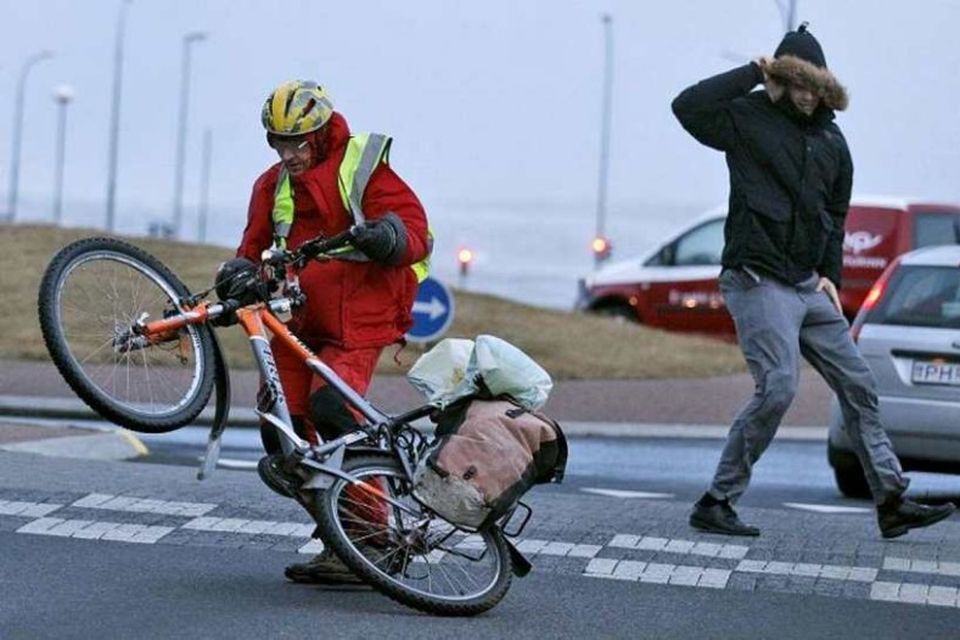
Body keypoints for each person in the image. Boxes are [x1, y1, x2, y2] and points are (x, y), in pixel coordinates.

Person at [671, 24, 955, 538]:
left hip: (808, 284)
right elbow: (687, 106)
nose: (805, 95)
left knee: (859, 382)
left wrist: (831, 274)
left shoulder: (831, 139)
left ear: (824, 87)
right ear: (780, 79)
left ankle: (890, 500)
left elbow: (834, 211)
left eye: (813, 85)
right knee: (779, 385)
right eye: (795, 83)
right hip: (756, 278)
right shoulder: (746, 117)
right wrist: (750, 74)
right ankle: (716, 500)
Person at [230, 80, 430, 582]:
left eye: (298, 142)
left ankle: (373, 539)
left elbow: (414, 228)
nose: (288, 153)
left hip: (359, 316)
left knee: (331, 409)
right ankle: (341, 541)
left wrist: (388, 236)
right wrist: (237, 274)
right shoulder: (270, 185)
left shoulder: (361, 166)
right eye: (277, 141)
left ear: (320, 134)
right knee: (281, 428)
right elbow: (252, 250)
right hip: (296, 321)